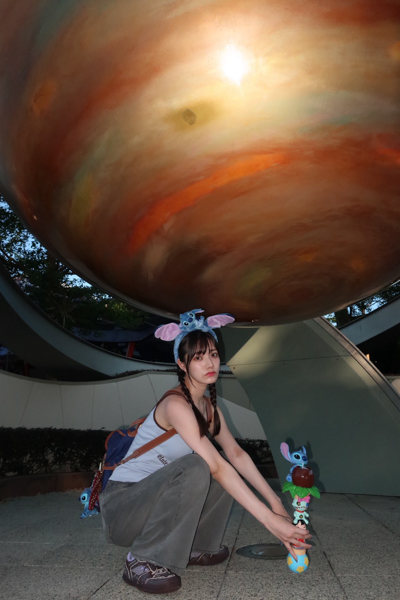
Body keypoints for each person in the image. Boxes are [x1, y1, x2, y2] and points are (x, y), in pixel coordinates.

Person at [99, 310, 312, 594]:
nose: (209, 363)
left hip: (148, 505)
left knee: (220, 464)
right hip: (122, 509)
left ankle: (198, 546)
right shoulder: (176, 406)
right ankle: (141, 559)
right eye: (198, 357)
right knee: (198, 466)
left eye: (212, 354)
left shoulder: (209, 409)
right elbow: (215, 468)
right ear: (181, 364)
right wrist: (270, 523)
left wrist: (277, 505)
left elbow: (236, 455)